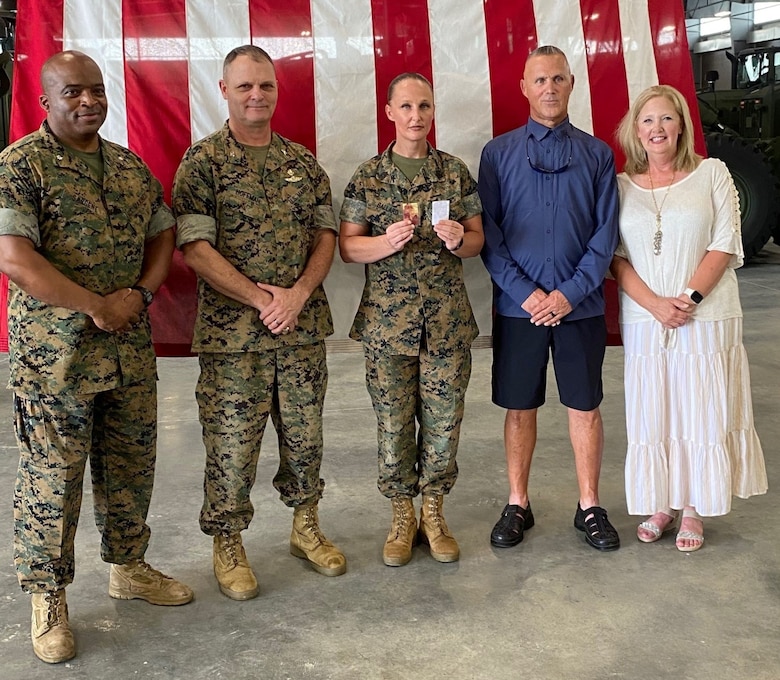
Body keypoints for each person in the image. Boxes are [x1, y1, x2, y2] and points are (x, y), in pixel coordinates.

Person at [0, 51, 192, 665]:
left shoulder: (129, 167)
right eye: (74, 93)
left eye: (97, 92)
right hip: (56, 360)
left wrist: (138, 294)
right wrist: (94, 306)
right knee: (53, 480)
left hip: (127, 352)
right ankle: (48, 597)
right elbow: (14, 258)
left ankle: (129, 567)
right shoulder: (20, 166)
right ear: (46, 102)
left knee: (131, 464)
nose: (89, 102)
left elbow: (163, 230)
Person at [172, 45, 345, 600]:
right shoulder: (202, 164)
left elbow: (326, 235)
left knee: (305, 437)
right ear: (224, 90)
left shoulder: (302, 162)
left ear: (276, 90)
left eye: (265, 86)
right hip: (233, 340)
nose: (256, 95)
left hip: (299, 330)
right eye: (244, 86)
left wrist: (296, 294)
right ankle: (227, 542)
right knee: (231, 445)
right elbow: (194, 247)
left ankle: (305, 526)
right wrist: (260, 299)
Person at [611, 84, 767, 552]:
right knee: (655, 408)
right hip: (645, 317)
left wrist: (688, 298)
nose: (657, 129)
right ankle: (662, 502)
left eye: (666, 119)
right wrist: (656, 305)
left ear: (681, 125)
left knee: (699, 406)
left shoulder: (712, 174)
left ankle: (694, 506)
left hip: (706, 314)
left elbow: (725, 242)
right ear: (635, 131)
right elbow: (615, 258)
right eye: (647, 121)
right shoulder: (621, 186)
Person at [478, 45, 620, 552]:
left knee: (585, 407)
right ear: (524, 86)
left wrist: (569, 293)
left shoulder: (599, 155)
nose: (550, 88)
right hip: (520, 310)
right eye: (540, 80)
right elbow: (489, 237)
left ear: (572, 83)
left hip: (579, 307)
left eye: (558, 78)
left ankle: (589, 505)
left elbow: (606, 237)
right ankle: (518, 501)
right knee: (520, 407)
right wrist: (529, 294)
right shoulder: (497, 155)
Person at [339, 72, 484, 567]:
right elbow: (347, 246)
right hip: (387, 327)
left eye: (423, 106)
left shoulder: (455, 173)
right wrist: (385, 243)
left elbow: (478, 240)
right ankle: (402, 515)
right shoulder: (368, 176)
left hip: (445, 325)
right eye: (406, 107)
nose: (415, 116)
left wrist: (457, 240)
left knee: (444, 425)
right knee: (395, 426)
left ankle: (434, 511)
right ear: (390, 112)